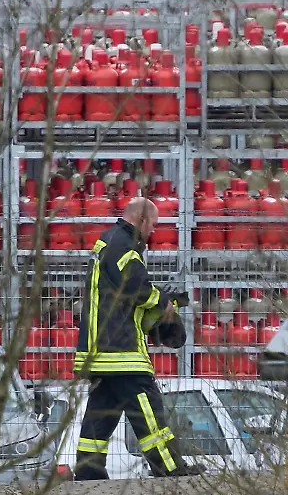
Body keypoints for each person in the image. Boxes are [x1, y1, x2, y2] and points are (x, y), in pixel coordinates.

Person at [73, 197, 203, 480]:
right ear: (142, 219)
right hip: (121, 352)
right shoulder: (123, 245)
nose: (153, 231)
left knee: (100, 415)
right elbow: (138, 289)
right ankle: (170, 469)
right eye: (153, 224)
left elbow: (122, 299)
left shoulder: (109, 241)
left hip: (102, 352)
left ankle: (87, 474)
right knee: (149, 413)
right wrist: (165, 304)